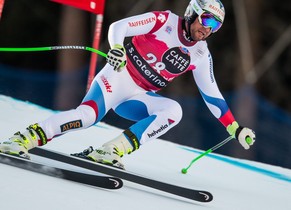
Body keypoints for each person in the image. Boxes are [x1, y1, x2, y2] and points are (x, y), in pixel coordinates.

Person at [0, 0, 255, 169]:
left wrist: (235, 128)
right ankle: (23, 138)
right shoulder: (163, 21)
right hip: (116, 78)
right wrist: (118, 49)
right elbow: (118, 27)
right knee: (87, 117)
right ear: (192, 13)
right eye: (207, 20)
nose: (209, 29)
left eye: (216, 25)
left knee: (173, 111)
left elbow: (212, 95)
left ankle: (111, 151)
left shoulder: (200, 54)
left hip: (138, 97)